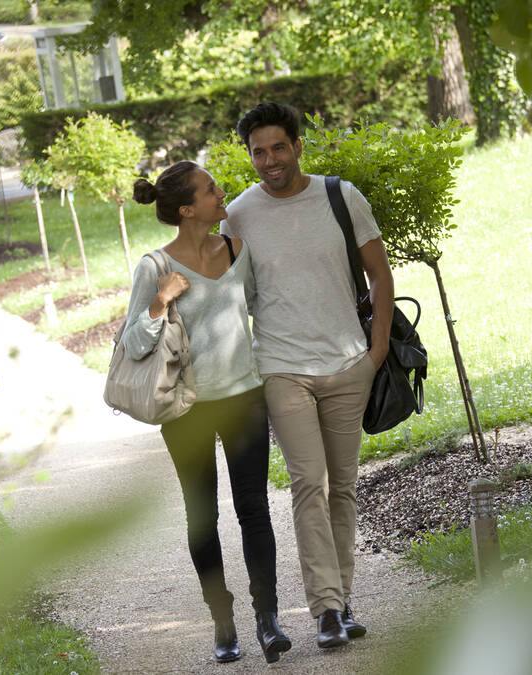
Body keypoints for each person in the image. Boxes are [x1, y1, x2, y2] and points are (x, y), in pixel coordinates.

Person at [221, 103, 395, 648]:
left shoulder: (341, 197)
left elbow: (380, 275)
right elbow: (224, 291)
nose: (269, 160)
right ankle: (324, 610)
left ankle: (341, 602)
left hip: (349, 363)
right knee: (308, 484)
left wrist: (376, 352)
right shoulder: (240, 215)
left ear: (298, 146)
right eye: (258, 152)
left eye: (278, 148)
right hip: (281, 367)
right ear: (249, 156)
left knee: (342, 487)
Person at [125, 160, 291, 665]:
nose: (222, 194)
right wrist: (160, 303)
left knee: (254, 511)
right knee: (203, 515)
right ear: (186, 208)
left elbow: (263, 311)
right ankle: (222, 618)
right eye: (211, 189)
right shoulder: (155, 267)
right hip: (187, 408)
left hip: (243, 397)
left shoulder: (238, 250)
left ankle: (268, 618)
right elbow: (133, 342)